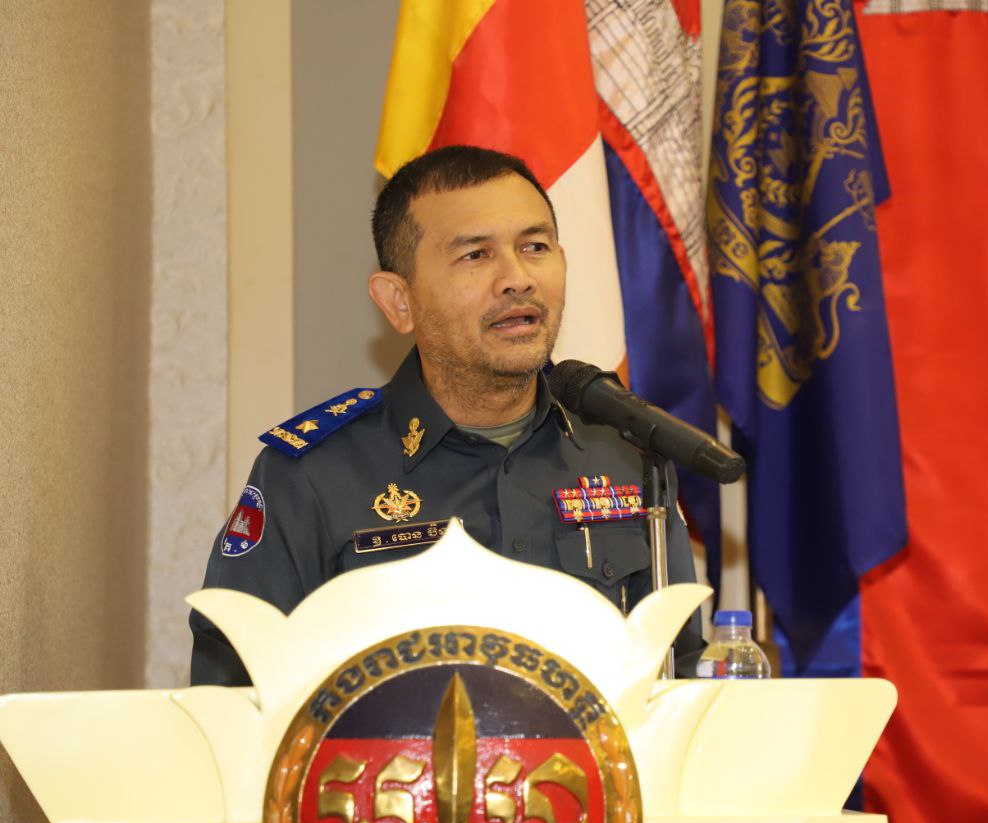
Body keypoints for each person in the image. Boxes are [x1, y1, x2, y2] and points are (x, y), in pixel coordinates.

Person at [189, 145, 704, 685]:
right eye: (476, 255)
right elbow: (235, 700)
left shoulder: (625, 454)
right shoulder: (312, 477)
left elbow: (681, 674)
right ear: (399, 302)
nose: (517, 278)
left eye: (535, 246)